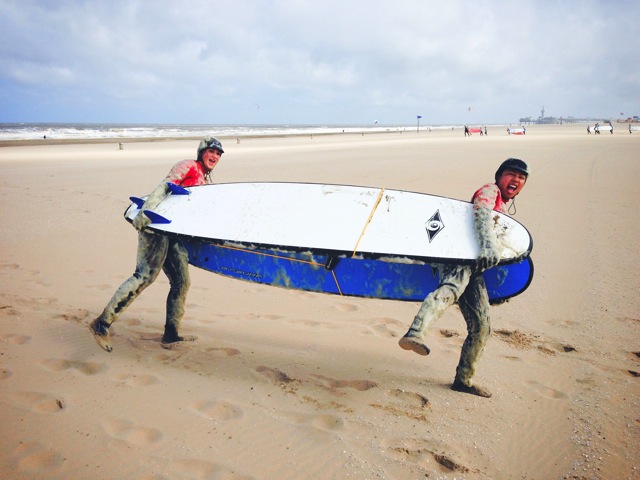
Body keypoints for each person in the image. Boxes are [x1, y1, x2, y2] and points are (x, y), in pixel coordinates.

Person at [399, 158, 530, 398]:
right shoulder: (489, 191)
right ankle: (415, 333)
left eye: (521, 178)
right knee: (450, 289)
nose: (516, 180)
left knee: (482, 326)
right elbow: (480, 212)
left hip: (475, 267)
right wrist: (488, 246)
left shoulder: (501, 203)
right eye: (511, 174)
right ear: (499, 176)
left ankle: (464, 380)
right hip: (459, 257)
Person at [89, 137, 225, 352]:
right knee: (144, 276)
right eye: (211, 151)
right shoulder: (188, 165)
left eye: (218, 154)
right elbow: (164, 186)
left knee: (182, 282)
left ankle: (171, 334)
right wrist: (145, 213)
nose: (215, 156)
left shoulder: (205, 182)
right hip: (156, 225)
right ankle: (101, 324)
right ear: (201, 152)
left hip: (175, 235)